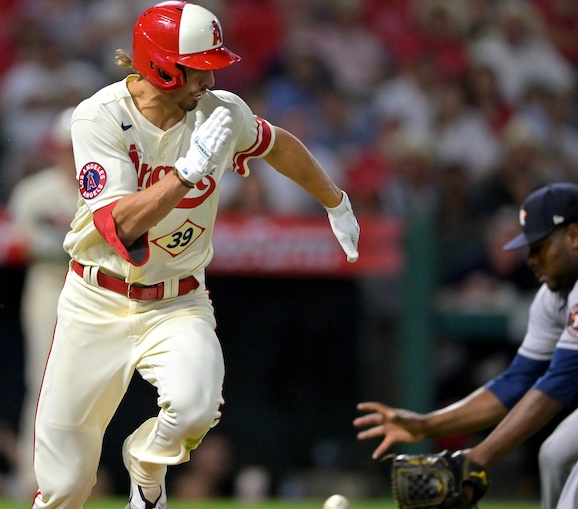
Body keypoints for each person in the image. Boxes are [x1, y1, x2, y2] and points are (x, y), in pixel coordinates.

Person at [32, 2, 360, 508]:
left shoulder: (221, 112)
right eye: (198, 68)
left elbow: (278, 145)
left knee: (194, 408)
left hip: (176, 302)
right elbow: (120, 223)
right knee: (65, 487)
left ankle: (146, 471)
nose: (207, 80)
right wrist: (185, 174)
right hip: (95, 301)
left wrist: (334, 200)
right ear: (162, 65)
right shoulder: (99, 116)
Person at [354, 182, 578, 508]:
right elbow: (516, 382)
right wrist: (426, 424)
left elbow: (560, 382)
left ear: (573, 237)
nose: (530, 259)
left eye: (539, 246)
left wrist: (479, 460)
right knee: (556, 452)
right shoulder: (553, 297)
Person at [6, 107, 79, 498]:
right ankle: (32, 478)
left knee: (87, 387)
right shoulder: (36, 190)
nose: (73, 154)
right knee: (44, 380)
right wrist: (80, 242)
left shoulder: (107, 186)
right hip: (50, 290)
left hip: (97, 293)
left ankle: (72, 475)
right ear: (55, 149)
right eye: (67, 148)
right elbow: (27, 243)